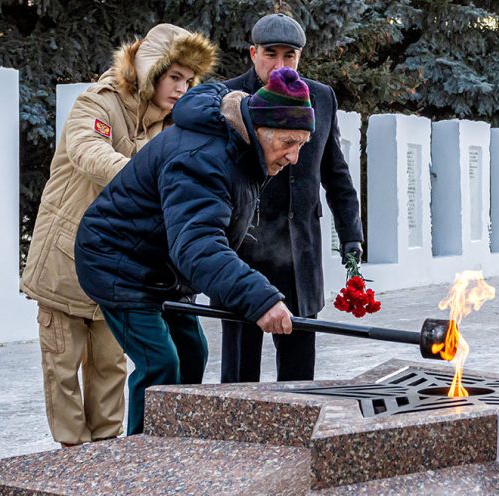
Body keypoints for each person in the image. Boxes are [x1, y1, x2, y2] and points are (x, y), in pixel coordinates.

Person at [74, 67, 316, 436]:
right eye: (288, 142)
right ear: (259, 128)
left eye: (301, 144)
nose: (294, 157)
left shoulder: (241, 145)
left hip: (162, 264)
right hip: (117, 262)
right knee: (160, 364)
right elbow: (198, 244)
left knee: (193, 351)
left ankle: (178, 441)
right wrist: (259, 298)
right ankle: (143, 458)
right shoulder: (202, 156)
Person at [20, 24, 217, 446]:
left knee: (109, 367)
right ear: (151, 70)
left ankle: (109, 455)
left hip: (115, 269)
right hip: (63, 260)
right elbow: (88, 150)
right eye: (174, 77)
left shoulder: (168, 126)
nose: (182, 89)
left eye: (189, 80)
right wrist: (144, 178)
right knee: (63, 367)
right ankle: (72, 453)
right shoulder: (99, 101)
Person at [215, 14, 364, 384]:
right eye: (270, 54)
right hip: (242, 255)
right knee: (238, 376)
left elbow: (337, 175)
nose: (280, 65)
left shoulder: (322, 98)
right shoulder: (228, 97)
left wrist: (351, 237)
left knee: (300, 378)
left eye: (290, 55)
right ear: (252, 53)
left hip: (299, 255)